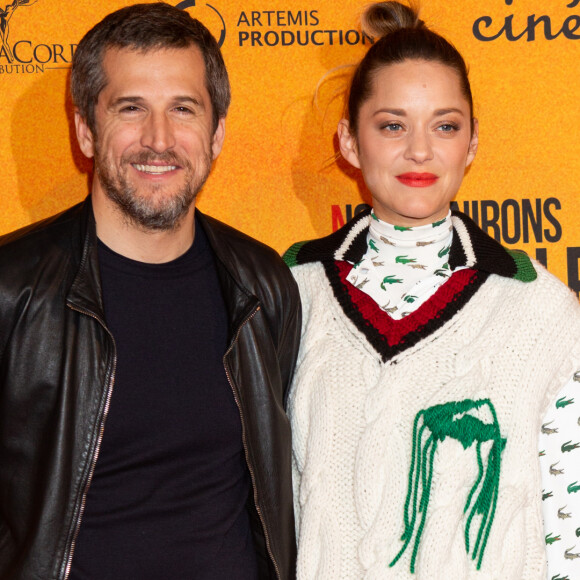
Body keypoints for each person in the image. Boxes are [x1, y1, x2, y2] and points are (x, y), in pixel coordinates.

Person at [0, 3, 301, 579]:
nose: (159, 140)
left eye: (183, 109)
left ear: (215, 135)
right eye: (131, 108)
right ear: (86, 130)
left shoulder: (263, 285)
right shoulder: (11, 290)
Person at [284, 2, 580, 578]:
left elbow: (570, 516)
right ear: (349, 141)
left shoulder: (542, 310)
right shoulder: (289, 293)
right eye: (392, 125)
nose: (419, 151)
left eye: (445, 125)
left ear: (471, 144)